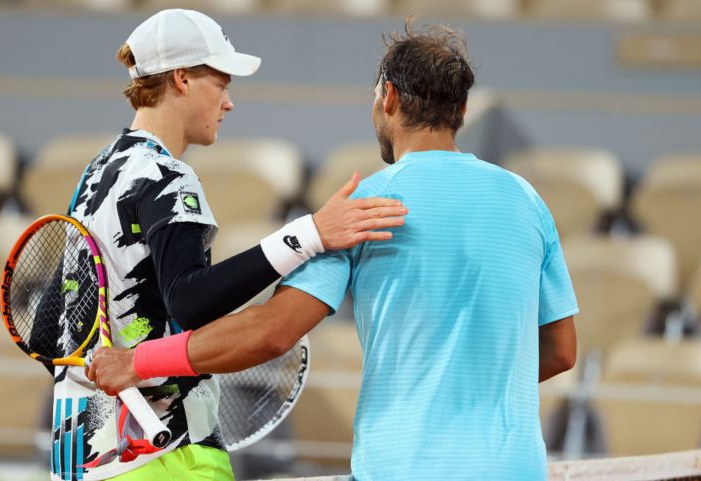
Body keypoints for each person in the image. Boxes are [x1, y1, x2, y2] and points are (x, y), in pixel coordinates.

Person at [88, 19, 578, 481]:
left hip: (402, 466)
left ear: (388, 98)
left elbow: (271, 333)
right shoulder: (527, 200)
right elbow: (561, 351)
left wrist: (139, 362)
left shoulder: (363, 208)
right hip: (516, 468)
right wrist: (476, 382)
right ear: (461, 110)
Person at [54, 9, 407, 481]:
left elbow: (48, 328)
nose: (229, 103)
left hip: (81, 459)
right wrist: (309, 235)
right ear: (181, 79)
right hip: (168, 457)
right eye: (221, 85)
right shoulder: (167, 175)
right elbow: (191, 300)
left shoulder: (96, 174)